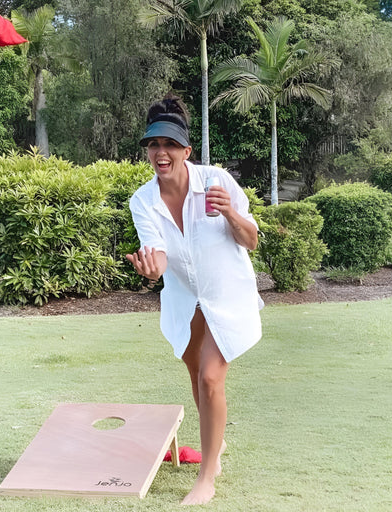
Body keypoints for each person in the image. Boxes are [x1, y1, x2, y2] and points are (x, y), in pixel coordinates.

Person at [126, 93, 263, 506]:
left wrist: (231, 214)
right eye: (153, 145)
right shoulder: (142, 200)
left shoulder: (217, 182)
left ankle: (207, 475)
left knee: (210, 376)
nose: (160, 153)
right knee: (194, 375)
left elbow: (251, 240)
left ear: (186, 150)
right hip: (185, 297)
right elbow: (159, 254)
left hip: (227, 293)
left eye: (169, 145)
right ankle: (214, 446)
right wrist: (153, 269)